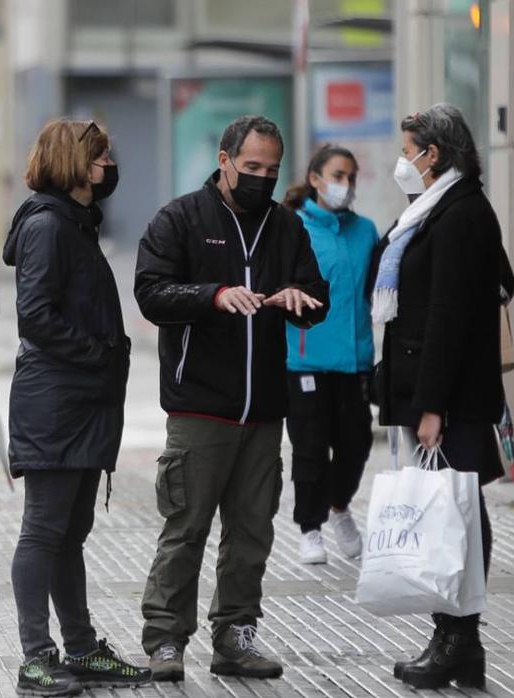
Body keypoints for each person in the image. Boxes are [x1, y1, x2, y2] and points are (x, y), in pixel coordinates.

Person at [134, 115, 328, 682]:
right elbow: (151, 292)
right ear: (224, 160)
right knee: (186, 527)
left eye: (271, 170)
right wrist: (213, 296)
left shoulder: (286, 227)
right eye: (251, 168)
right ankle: (166, 640)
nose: (261, 179)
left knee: (252, 531)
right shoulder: (180, 220)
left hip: (265, 408)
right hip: (200, 406)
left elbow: (319, 295)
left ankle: (236, 635)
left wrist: (300, 298)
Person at [369, 103, 513, 691]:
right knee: (452, 511)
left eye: (408, 151)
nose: (402, 162)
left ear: (434, 154)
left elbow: (451, 315)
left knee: (454, 515)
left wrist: (432, 407)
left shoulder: (459, 214)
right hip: (437, 388)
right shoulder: (438, 209)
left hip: (449, 396)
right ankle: (456, 640)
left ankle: (457, 640)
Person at [5, 118, 149, 696]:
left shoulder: (76, 222)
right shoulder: (48, 224)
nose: (109, 165)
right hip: (57, 399)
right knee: (43, 530)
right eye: (101, 156)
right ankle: (36, 657)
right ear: (74, 163)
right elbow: (34, 315)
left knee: (69, 532)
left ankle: (82, 648)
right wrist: (95, 354)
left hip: (82, 398)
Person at [280, 144, 377, 566]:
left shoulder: (366, 231)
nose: (346, 185)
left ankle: (339, 507)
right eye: (338, 176)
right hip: (307, 359)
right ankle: (310, 527)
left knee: (356, 443)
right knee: (310, 449)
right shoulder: (292, 228)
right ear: (315, 179)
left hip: (355, 359)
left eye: (351, 177)